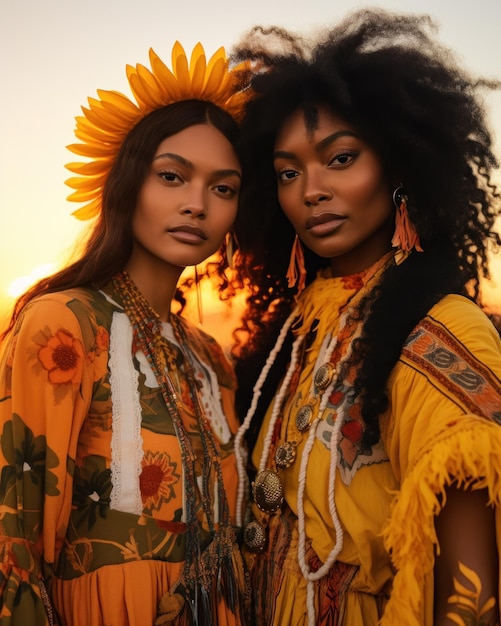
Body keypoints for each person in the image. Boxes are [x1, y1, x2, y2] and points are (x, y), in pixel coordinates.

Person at [230, 9, 501, 626]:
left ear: (400, 167)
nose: (311, 190)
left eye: (341, 158)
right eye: (288, 174)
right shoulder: (298, 332)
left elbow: (472, 598)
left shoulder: (442, 329)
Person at [0, 41, 253, 626]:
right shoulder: (64, 323)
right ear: (126, 183)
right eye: (172, 176)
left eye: (223, 187)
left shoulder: (210, 357)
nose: (197, 204)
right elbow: (14, 533)